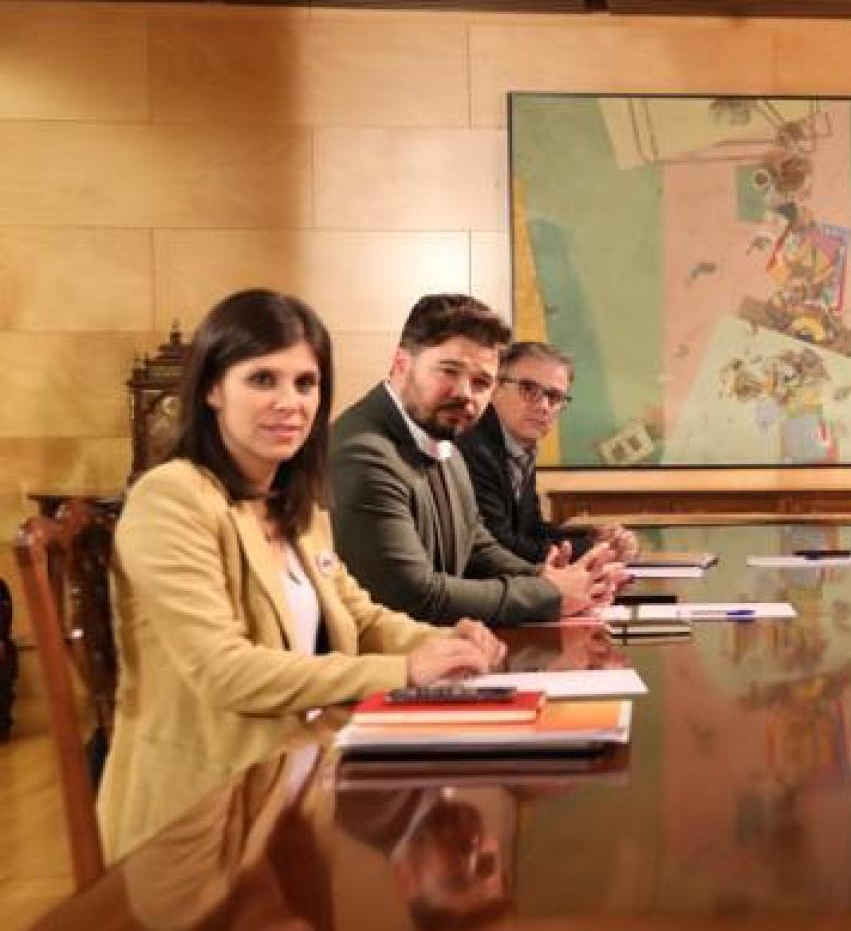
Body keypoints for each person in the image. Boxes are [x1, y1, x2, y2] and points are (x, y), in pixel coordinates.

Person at [99, 289, 507, 861]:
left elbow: (359, 616)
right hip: (202, 818)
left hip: (301, 792)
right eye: (262, 379)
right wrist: (406, 668)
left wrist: (448, 641)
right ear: (213, 388)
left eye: (305, 383)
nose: (289, 402)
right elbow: (226, 673)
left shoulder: (295, 501)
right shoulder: (173, 497)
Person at [330, 295, 624, 627]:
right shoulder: (363, 453)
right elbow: (412, 596)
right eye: (449, 371)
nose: (465, 393)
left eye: (481, 382)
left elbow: (474, 544)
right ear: (401, 364)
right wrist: (547, 594)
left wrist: (549, 577)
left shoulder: (446, 443)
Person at [456, 341, 637, 563]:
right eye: (529, 389)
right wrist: (593, 548)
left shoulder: (521, 446)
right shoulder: (473, 447)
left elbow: (529, 529)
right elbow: (499, 544)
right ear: (495, 389)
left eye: (554, 397)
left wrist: (594, 537)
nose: (543, 406)